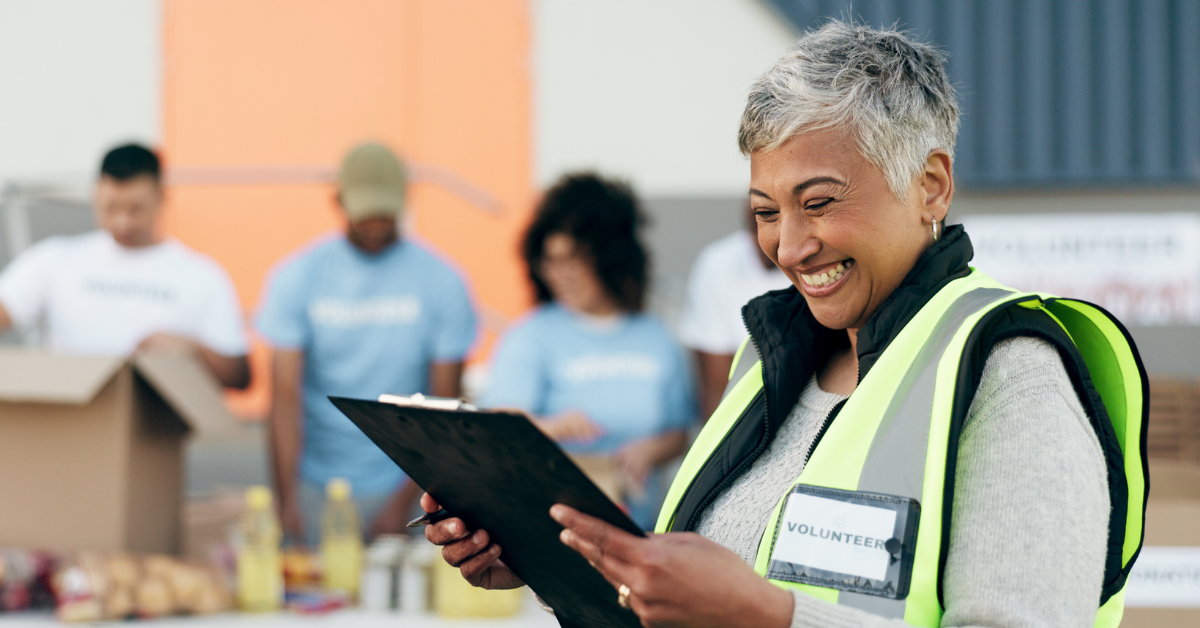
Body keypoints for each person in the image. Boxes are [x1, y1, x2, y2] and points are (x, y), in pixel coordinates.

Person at [421, 21, 1148, 628]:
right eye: (767, 212)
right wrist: (547, 555)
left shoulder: (1011, 377)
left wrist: (771, 616)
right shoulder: (770, 361)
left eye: (821, 202)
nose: (789, 248)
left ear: (931, 185)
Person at [256, 143, 477, 547]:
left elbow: (445, 408)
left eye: (385, 212)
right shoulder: (297, 277)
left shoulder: (444, 281)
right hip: (315, 485)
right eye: (365, 213)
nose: (375, 224)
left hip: (410, 488)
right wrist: (285, 501)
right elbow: (284, 400)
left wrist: (406, 503)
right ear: (338, 201)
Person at [480, 173, 694, 530]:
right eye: (550, 261)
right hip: (552, 530)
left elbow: (678, 432)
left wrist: (648, 451)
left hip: (638, 529)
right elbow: (494, 430)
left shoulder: (656, 337)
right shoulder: (531, 336)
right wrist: (548, 427)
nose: (559, 274)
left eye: (573, 260)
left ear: (609, 257)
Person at [0, 143, 250, 388]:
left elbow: (240, 378)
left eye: (136, 209)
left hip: (157, 425)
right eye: (111, 207)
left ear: (161, 196)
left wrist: (195, 349)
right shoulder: (56, 259)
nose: (123, 221)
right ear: (96, 194)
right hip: (69, 420)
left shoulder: (201, 275)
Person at [679, 201, 791, 419]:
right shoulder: (717, 264)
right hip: (746, 414)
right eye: (755, 230)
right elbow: (716, 389)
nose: (763, 244)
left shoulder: (819, 261)